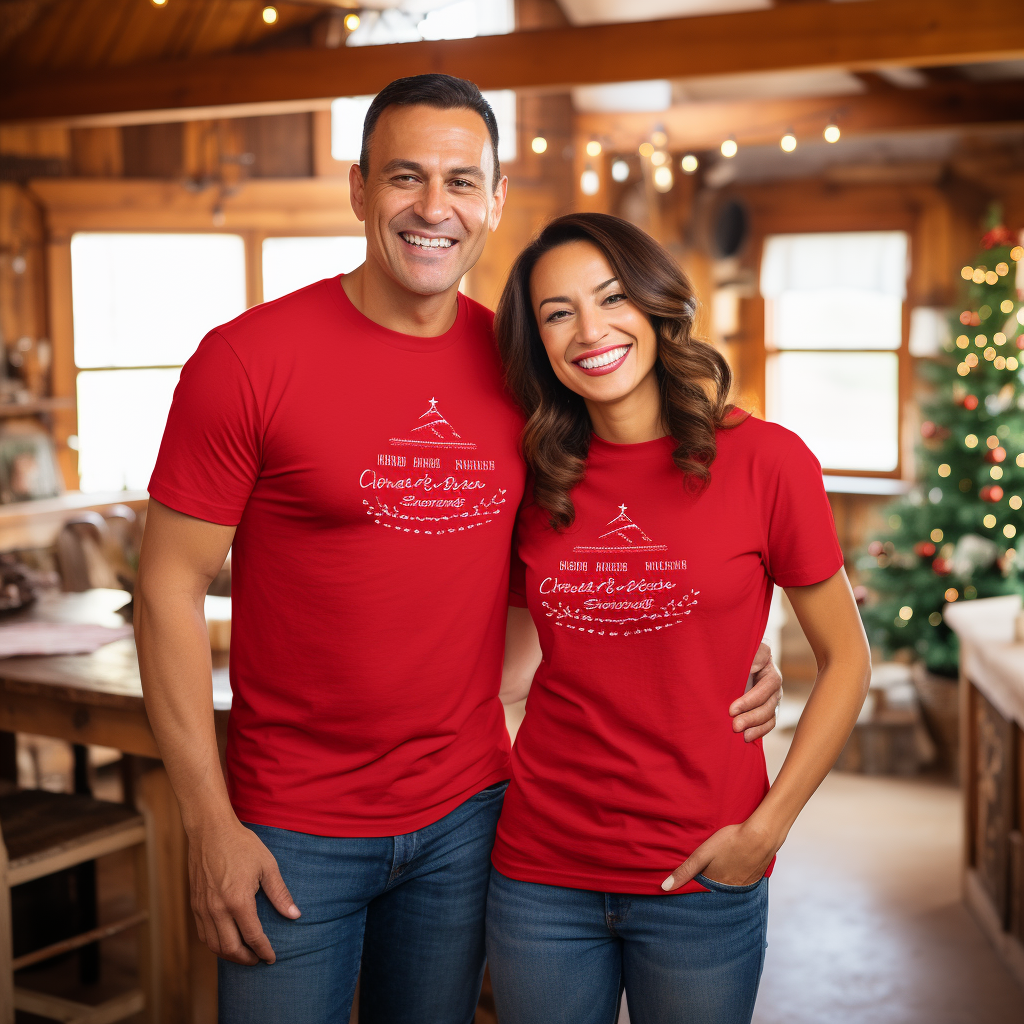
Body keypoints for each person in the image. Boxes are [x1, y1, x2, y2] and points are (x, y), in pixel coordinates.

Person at [134, 76, 785, 1024]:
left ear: (494, 200)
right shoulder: (245, 361)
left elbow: (614, 545)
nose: (433, 207)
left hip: (470, 816)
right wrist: (208, 821)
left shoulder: (529, 370)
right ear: (359, 189)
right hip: (290, 823)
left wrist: (725, 649)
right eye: (405, 177)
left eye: (459, 181)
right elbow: (167, 588)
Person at [486, 213, 871, 1024]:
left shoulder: (768, 462)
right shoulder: (534, 478)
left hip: (702, 867)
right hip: (540, 869)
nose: (590, 330)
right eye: (558, 313)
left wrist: (765, 833)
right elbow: (514, 669)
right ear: (540, 343)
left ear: (655, 307)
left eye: (611, 297)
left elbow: (847, 662)